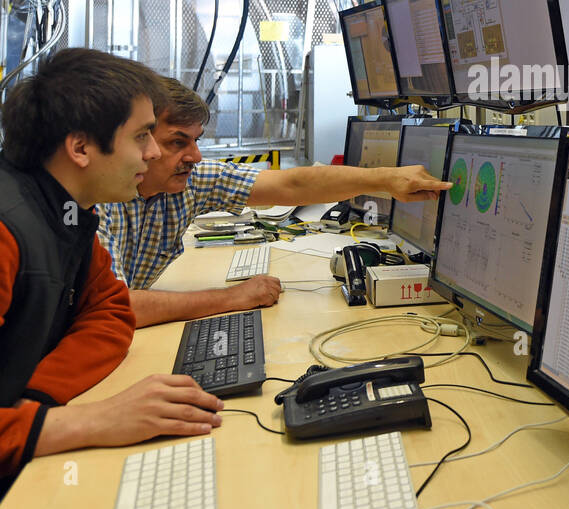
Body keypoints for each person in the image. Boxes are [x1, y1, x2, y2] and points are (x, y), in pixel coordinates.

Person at [0, 49, 224, 509]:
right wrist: (82, 422)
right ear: (80, 148)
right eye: (141, 136)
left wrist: (37, 401)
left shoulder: (66, 215)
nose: (155, 152)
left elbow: (112, 312)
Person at [97, 78, 451, 327]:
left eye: (196, 140)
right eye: (178, 142)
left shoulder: (189, 182)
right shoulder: (101, 199)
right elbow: (118, 307)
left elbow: (293, 182)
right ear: (139, 141)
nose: (196, 155)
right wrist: (231, 298)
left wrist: (386, 180)